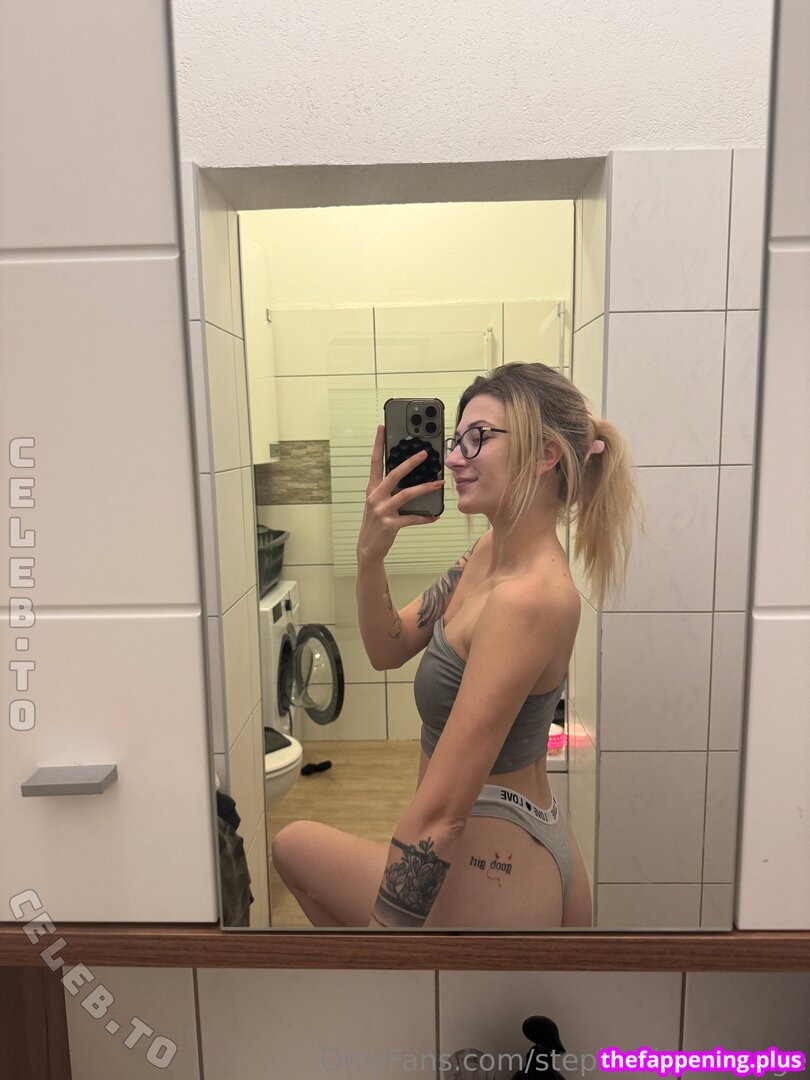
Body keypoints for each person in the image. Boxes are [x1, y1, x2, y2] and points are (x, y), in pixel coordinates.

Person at [271, 362, 646, 928]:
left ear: (545, 454)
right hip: (512, 842)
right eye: (455, 440)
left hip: (494, 872)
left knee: (293, 846)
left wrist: (383, 951)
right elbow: (389, 646)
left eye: (478, 438)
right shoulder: (489, 553)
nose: (452, 459)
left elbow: (442, 815)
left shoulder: (526, 598)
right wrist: (370, 556)